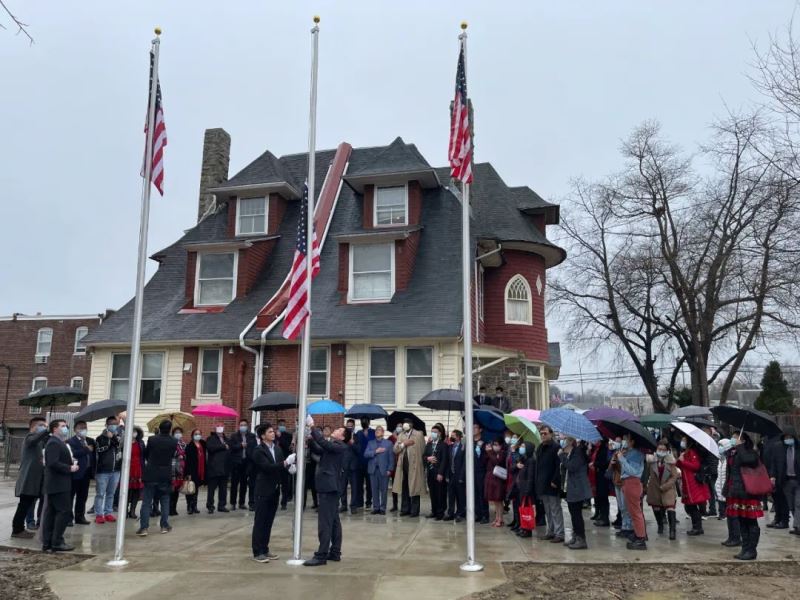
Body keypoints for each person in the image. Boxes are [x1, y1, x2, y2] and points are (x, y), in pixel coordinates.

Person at [304, 416, 346, 567]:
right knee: (334, 521)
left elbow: (322, 443)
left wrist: (313, 427)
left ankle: (321, 555)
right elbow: (318, 448)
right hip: (328, 486)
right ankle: (334, 552)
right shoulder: (331, 445)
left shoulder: (340, 446)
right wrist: (309, 439)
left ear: (342, 436)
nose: (335, 431)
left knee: (325, 523)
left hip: (329, 487)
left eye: (339, 430)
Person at [251, 423, 296, 563]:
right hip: (263, 489)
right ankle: (257, 552)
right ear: (263, 435)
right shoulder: (258, 450)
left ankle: (265, 548)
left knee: (269, 521)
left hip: (274, 489)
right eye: (270, 432)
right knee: (260, 521)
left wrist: (289, 468)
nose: (273, 433)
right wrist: (285, 463)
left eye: (273, 431)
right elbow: (267, 467)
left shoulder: (276, 449)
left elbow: (280, 467)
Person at [725, 433, 765, 560]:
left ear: (742, 440)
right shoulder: (734, 452)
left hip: (748, 491)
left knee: (750, 521)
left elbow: (749, 461)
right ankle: (745, 548)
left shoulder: (750, 452)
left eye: (735, 437)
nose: (733, 439)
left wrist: (740, 447)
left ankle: (752, 550)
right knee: (741, 521)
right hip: (736, 491)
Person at [41, 420, 79, 552]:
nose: (65, 428)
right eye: (62, 426)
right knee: (63, 512)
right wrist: (70, 468)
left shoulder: (59, 443)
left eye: (66, 426)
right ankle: (56, 541)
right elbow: (52, 463)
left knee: (52, 513)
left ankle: (49, 542)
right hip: (58, 484)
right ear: (54, 429)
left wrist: (71, 461)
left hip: (59, 483)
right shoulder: (53, 443)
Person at [136, 420, 179, 536]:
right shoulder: (174, 441)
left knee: (146, 502)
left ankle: (144, 528)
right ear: (170, 429)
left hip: (151, 473)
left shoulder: (152, 439)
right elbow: (171, 455)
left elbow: (146, 454)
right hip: (165, 474)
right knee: (165, 501)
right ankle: (164, 525)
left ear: (159, 428)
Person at [11, 417, 50, 539]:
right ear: (33, 427)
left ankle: (20, 529)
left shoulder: (39, 441)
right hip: (27, 479)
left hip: (34, 480)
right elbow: (35, 438)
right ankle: (17, 530)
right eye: (41, 425)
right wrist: (47, 429)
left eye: (44, 425)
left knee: (26, 504)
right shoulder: (29, 438)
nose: (43, 427)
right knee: (24, 505)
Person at [676, 436, 711, 536]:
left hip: (692, 483)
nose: (682, 441)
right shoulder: (686, 451)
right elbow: (680, 465)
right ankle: (696, 527)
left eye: (684, 440)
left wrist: (683, 461)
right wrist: (680, 460)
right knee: (689, 506)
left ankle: (697, 527)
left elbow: (695, 466)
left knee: (691, 506)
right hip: (687, 482)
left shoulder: (692, 451)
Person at [617, 434, 647, 550]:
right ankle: (637, 534)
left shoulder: (637, 454)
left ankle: (641, 538)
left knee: (635, 512)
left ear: (632, 441)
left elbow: (633, 471)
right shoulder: (629, 452)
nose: (624, 441)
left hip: (632, 482)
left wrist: (622, 459)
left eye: (626, 439)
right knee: (632, 511)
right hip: (627, 483)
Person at [535, 426, 564, 543]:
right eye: (541, 433)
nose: (543, 435)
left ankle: (559, 533)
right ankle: (550, 531)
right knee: (547, 509)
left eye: (545, 433)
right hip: (542, 483)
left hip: (552, 483)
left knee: (555, 508)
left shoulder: (556, 447)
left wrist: (555, 480)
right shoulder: (540, 447)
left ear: (551, 434)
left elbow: (559, 466)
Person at [560, 436, 591, 549]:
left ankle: (581, 539)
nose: (563, 441)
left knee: (576, 514)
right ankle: (576, 535)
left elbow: (572, 467)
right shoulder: (573, 452)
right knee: (573, 514)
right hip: (571, 487)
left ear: (571, 441)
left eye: (566, 439)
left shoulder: (578, 452)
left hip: (577, 488)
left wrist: (562, 456)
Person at [645, 439, 679, 541]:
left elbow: (674, 476)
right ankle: (660, 525)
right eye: (659, 449)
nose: (661, 451)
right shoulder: (651, 460)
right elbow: (646, 473)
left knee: (670, 507)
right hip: (654, 487)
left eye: (663, 450)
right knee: (656, 508)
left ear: (667, 451)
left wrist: (666, 486)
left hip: (667, 488)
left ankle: (672, 531)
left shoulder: (671, 461)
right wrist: (644, 485)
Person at [769, 426, 800, 535]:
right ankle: (797, 526)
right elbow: (773, 463)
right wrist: (772, 476)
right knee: (791, 505)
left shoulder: (798, 447)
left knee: (798, 503)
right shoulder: (778, 448)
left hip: (798, 480)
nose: (788, 439)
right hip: (786, 480)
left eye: (790, 437)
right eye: (786, 437)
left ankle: (798, 526)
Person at [392, 417, 425, 517]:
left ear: (411, 424)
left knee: (414, 488)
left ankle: (414, 511)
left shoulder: (418, 434)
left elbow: (422, 449)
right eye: (404, 423)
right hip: (403, 466)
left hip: (414, 466)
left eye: (406, 423)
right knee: (404, 487)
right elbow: (395, 450)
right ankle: (405, 509)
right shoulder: (401, 435)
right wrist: (403, 444)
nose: (405, 424)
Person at [94, 415, 122, 524]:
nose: (114, 426)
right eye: (111, 424)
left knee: (111, 493)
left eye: (116, 424)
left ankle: (108, 512)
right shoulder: (100, 438)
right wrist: (108, 439)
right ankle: (99, 514)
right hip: (103, 471)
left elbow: (120, 445)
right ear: (106, 425)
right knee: (100, 493)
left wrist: (113, 438)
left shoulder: (117, 437)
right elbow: (101, 450)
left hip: (116, 470)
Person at [67, 421, 94, 526]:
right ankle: (68, 518)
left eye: (85, 427)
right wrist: (86, 449)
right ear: (75, 430)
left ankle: (80, 517)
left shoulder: (88, 441)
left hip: (86, 473)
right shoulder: (70, 441)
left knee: (82, 496)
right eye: (80, 428)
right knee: (70, 496)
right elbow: (72, 453)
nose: (83, 430)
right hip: (75, 473)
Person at [717, 437, 742, 547]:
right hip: (726, 490)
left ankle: (736, 537)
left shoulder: (733, 457)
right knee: (729, 514)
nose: (719, 448)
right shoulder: (722, 458)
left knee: (734, 515)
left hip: (734, 489)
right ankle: (731, 536)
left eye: (721, 445)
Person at [364, 425, 394, 514]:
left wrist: (390, 469)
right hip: (373, 470)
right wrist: (375, 451)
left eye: (379, 430)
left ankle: (383, 508)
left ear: (383, 432)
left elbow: (391, 458)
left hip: (384, 470)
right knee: (374, 489)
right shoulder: (370, 443)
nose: (377, 431)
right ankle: (376, 507)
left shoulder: (388, 443)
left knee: (384, 490)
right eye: (376, 430)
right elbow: (365, 454)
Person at [229, 419, 256, 511]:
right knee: (234, 484)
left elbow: (253, 448)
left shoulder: (252, 436)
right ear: (239, 426)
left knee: (244, 484)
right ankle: (233, 503)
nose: (243, 426)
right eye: (241, 425)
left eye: (244, 425)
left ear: (247, 426)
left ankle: (242, 502)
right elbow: (231, 448)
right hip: (236, 462)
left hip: (247, 462)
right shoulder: (234, 436)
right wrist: (240, 445)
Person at [423, 424, 448, 520]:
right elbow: (424, 456)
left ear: (440, 433)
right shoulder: (429, 444)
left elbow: (444, 460)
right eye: (432, 432)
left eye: (435, 432)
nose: (433, 433)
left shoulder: (443, 445)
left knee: (440, 493)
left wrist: (440, 473)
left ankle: (440, 512)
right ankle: (433, 511)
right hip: (430, 472)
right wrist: (428, 458)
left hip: (438, 473)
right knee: (432, 493)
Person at [206, 423, 231, 514]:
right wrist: (223, 446)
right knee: (211, 489)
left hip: (224, 468)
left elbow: (230, 450)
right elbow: (210, 448)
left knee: (223, 489)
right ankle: (210, 506)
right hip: (214, 468)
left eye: (221, 427)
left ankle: (222, 505)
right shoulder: (210, 439)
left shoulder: (227, 439)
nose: (220, 429)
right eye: (218, 427)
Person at [444, 429, 466, 521]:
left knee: (460, 496)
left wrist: (462, 476)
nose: (451, 437)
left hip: (459, 475)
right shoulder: (450, 447)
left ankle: (460, 513)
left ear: (458, 437)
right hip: (451, 474)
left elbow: (464, 463)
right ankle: (450, 513)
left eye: (453, 435)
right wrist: (447, 475)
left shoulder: (463, 447)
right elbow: (448, 462)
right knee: (451, 495)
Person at [485, 438, 507, 527]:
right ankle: (497, 518)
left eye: (497, 444)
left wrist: (490, 453)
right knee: (495, 500)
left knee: (499, 500)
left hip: (499, 479)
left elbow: (497, 462)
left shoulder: (502, 453)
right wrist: (488, 452)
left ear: (501, 445)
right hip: (491, 478)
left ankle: (500, 519)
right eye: (494, 444)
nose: (495, 446)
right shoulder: (493, 453)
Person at [354, 417, 376, 511]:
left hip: (370, 462)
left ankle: (368, 502)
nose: (364, 422)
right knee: (359, 484)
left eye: (366, 421)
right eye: (362, 421)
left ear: (369, 422)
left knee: (369, 484)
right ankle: (359, 502)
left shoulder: (373, 432)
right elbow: (355, 446)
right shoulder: (358, 433)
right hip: (359, 462)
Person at [515, 441, 536, 538]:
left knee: (527, 509)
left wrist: (527, 490)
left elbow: (530, 477)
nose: (521, 448)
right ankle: (523, 528)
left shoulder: (531, 460)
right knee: (522, 509)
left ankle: (527, 530)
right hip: (521, 487)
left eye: (523, 446)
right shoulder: (525, 459)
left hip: (527, 489)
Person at [184, 428, 206, 515]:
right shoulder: (189, 446)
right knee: (190, 489)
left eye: (199, 434)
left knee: (196, 489)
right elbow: (188, 461)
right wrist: (188, 473)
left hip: (200, 470)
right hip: (191, 470)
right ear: (192, 436)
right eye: (196, 434)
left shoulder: (202, 444)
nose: (198, 435)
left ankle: (194, 506)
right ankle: (189, 506)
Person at [125, 427, 145, 519]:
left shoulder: (140, 443)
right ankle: (124, 510)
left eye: (135, 432)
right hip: (127, 468)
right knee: (127, 490)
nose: (134, 433)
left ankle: (132, 510)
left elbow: (144, 456)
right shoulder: (125, 442)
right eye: (132, 431)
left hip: (138, 468)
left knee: (137, 490)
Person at [590, 440, 611, 527]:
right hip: (598, 475)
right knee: (599, 497)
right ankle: (602, 516)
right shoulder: (597, 448)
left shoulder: (604, 449)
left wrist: (595, 464)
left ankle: (605, 518)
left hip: (603, 476)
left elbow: (604, 463)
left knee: (603, 497)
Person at [473, 423, 490, 524]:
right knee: (474, 494)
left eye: (475, 428)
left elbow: (486, 459)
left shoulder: (485, 442)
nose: (473, 429)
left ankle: (485, 515)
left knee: (482, 494)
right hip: (472, 471)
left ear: (480, 430)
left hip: (481, 471)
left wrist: (480, 452)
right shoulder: (471, 442)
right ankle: (478, 514)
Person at [275, 419, 294, 510]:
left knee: (285, 483)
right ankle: (275, 500)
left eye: (283, 424)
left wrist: (280, 437)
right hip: (275, 463)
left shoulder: (288, 435)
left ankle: (284, 502)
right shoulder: (273, 435)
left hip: (285, 461)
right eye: (280, 424)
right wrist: (277, 437)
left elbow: (288, 447)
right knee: (276, 483)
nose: (282, 426)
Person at [169, 427, 187, 516]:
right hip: (172, 468)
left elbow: (186, 454)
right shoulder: (171, 442)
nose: (178, 434)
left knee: (177, 490)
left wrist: (183, 456)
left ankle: (174, 508)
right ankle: (169, 508)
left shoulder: (183, 444)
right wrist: (179, 454)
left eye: (180, 432)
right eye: (176, 432)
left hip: (180, 468)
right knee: (171, 490)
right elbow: (170, 453)